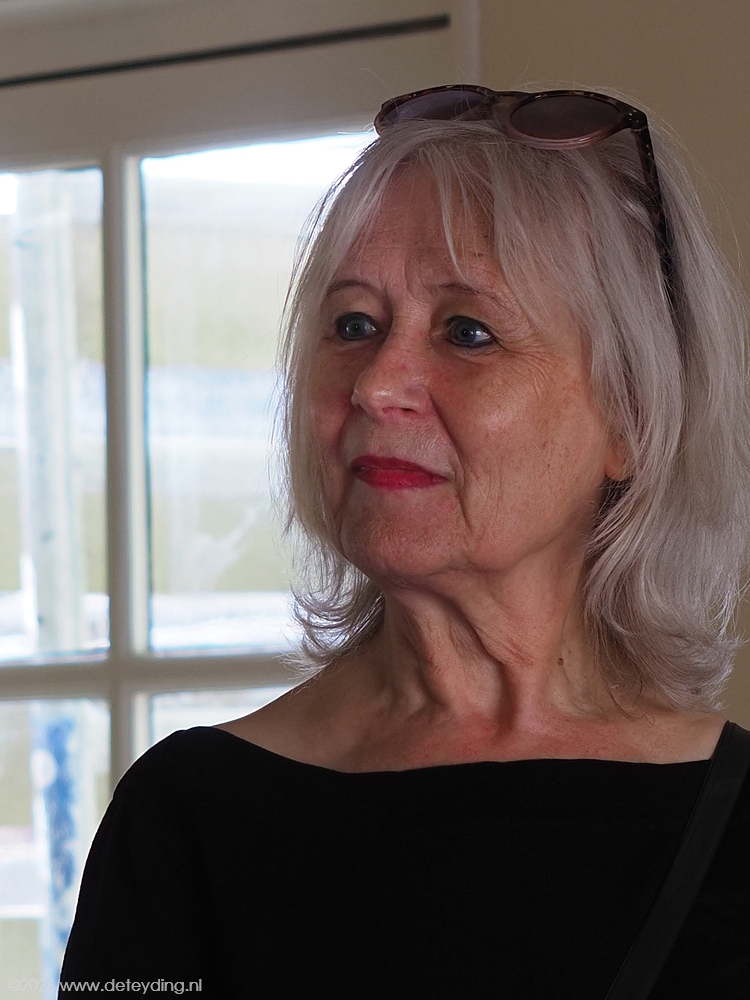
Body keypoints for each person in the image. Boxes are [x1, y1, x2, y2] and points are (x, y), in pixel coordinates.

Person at [59, 86, 750, 998]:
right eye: (354, 324)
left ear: (633, 415)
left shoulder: (735, 817)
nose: (378, 384)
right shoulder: (186, 816)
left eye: (468, 332)